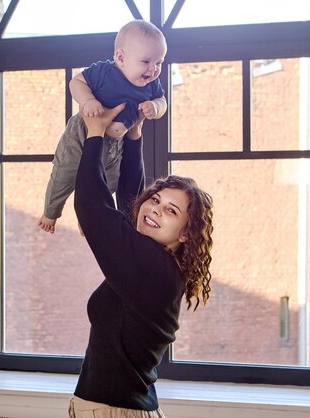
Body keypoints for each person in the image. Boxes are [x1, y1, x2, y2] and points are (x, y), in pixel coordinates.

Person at [69, 103, 214, 418]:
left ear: (186, 234)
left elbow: (93, 209)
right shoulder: (156, 264)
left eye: (171, 211)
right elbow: (132, 205)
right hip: (113, 409)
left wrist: (94, 134)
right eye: (157, 199)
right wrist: (134, 138)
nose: (156, 210)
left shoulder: (152, 268)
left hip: (112, 412)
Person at [38, 19, 168, 233]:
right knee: (65, 173)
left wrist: (155, 106)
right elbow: (76, 82)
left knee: (107, 184)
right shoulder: (104, 72)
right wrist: (88, 101)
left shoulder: (152, 84)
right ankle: (51, 212)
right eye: (146, 61)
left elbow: (163, 102)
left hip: (115, 145)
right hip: (83, 133)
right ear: (120, 57)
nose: (153, 69)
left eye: (159, 62)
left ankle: (89, 218)